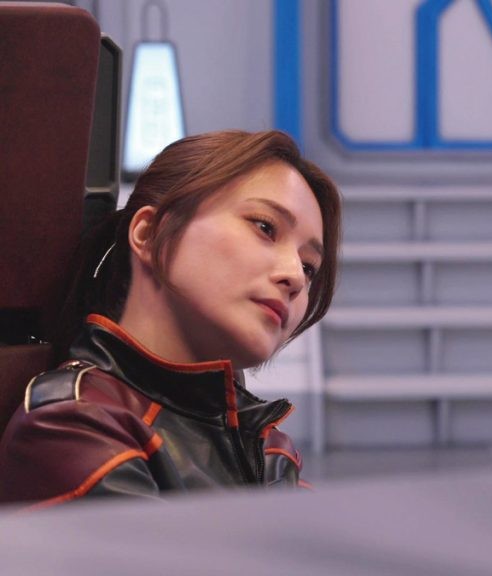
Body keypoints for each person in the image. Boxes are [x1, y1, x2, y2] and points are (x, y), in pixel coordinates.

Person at [0, 130, 341, 507]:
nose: (295, 277)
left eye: (309, 267)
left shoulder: (267, 447)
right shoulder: (71, 423)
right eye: (265, 227)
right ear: (150, 232)